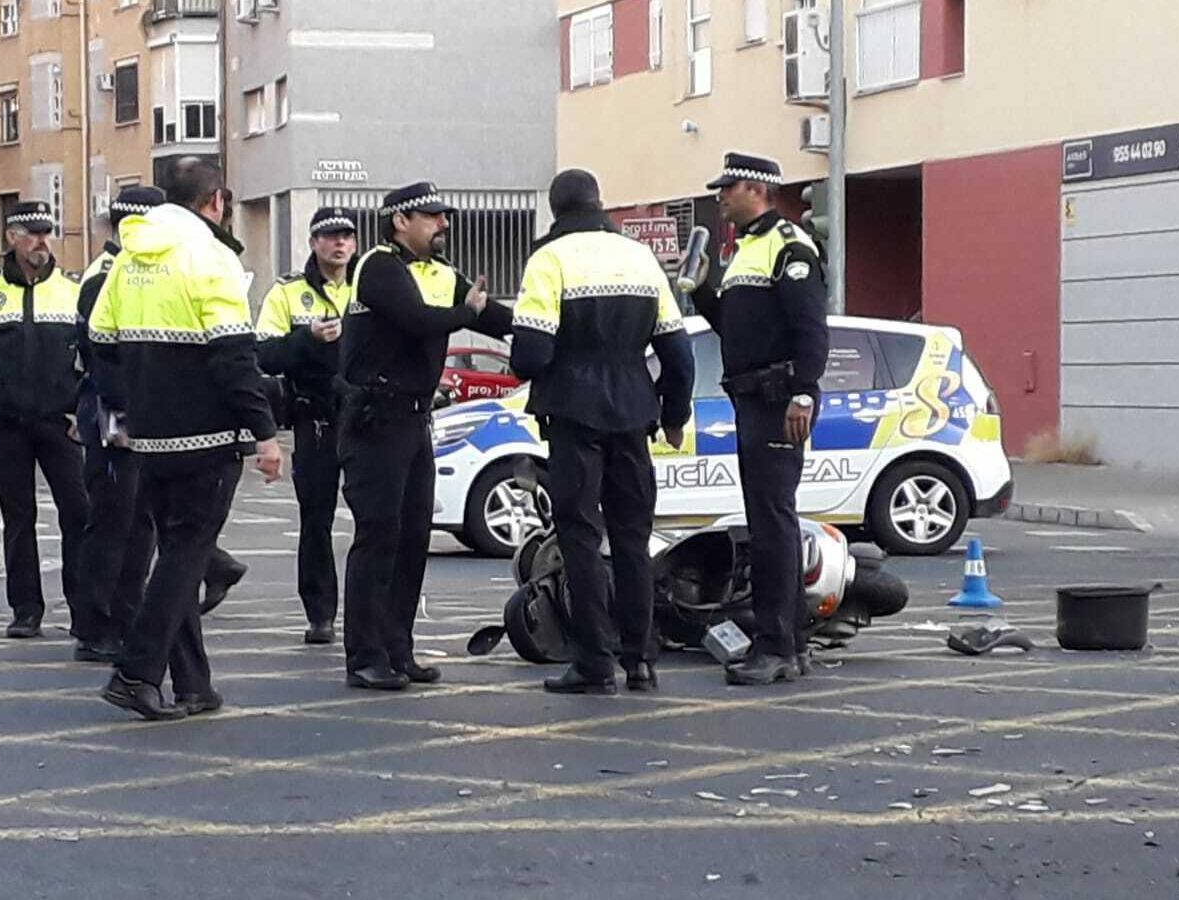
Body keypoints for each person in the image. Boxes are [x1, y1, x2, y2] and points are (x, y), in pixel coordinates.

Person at [90, 158, 282, 720]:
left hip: (150, 435)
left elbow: (101, 338)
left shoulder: (131, 258)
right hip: (207, 432)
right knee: (183, 557)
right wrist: (265, 433)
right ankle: (136, 672)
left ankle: (194, 684)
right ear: (217, 200)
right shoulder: (212, 256)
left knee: (178, 553)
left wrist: (132, 402)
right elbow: (233, 355)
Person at [511, 170, 695, 695]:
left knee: (581, 539)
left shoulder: (550, 260)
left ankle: (595, 662)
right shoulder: (638, 257)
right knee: (634, 540)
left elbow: (530, 356)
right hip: (635, 414)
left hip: (573, 417)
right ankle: (640, 659)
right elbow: (679, 356)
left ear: (555, 210)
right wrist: (674, 414)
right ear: (600, 203)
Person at [339, 182, 512, 690]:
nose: (444, 225)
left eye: (445, 217)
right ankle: (365, 656)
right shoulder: (376, 267)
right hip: (376, 419)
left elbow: (496, 318)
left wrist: (549, 330)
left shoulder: (443, 275)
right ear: (400, 221)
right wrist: (468, 314)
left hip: (415, 421)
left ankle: (399, 649)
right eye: (433, 217)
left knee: (414, 536)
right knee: (378, 535)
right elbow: (417, 322)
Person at [688, 152, 828, 686]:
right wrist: (702, 291)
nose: (720, 198)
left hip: (776, 402)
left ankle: (776, 645)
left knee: (772, 528)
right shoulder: (746, 249)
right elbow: (737, 331)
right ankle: (790, 644)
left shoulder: (789, 246)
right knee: (770, 524)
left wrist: (803, 394)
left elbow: (810, 331)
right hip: (750, 399)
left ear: (757, 189)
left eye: (728, 189)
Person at [0, 201, 89, 639]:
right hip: (7, 424)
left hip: (59, 422)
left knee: (78, 513)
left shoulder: (73, 291)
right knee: (18, 517)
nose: (43, 241)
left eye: (47, 232)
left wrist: (84, 414)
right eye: (33, 233)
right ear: (12, 238)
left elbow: (97, 358)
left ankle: (84, 608)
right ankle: (26, 609)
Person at [255, 207, 356, 644]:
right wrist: (307, 339)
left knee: (377, 521)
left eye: (347, 236)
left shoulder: (369, 285)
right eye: (331, 236)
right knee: (316, 519)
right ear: (314, 243)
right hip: (314, 418)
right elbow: (263, 353)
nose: (340, 244)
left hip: (365, 418)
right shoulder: (288, 293)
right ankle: (320, 613)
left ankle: (372, 612)